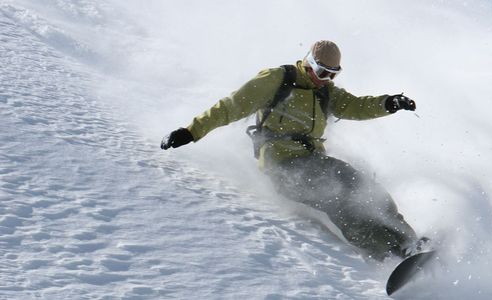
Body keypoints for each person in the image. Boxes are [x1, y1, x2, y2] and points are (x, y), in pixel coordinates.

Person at [161, 40, 428, 260]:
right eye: (323, 73)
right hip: (283, 167)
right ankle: (389, 251)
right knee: (339, 201)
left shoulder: (325, 91)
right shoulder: (277, 79)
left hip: (314, 160)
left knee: (363, 186)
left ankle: (409, 242)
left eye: (333, 75)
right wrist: (191, 131)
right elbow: (231, 106)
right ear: (309, 63)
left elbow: (354, 106)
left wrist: (389, 102)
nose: (327, 80)